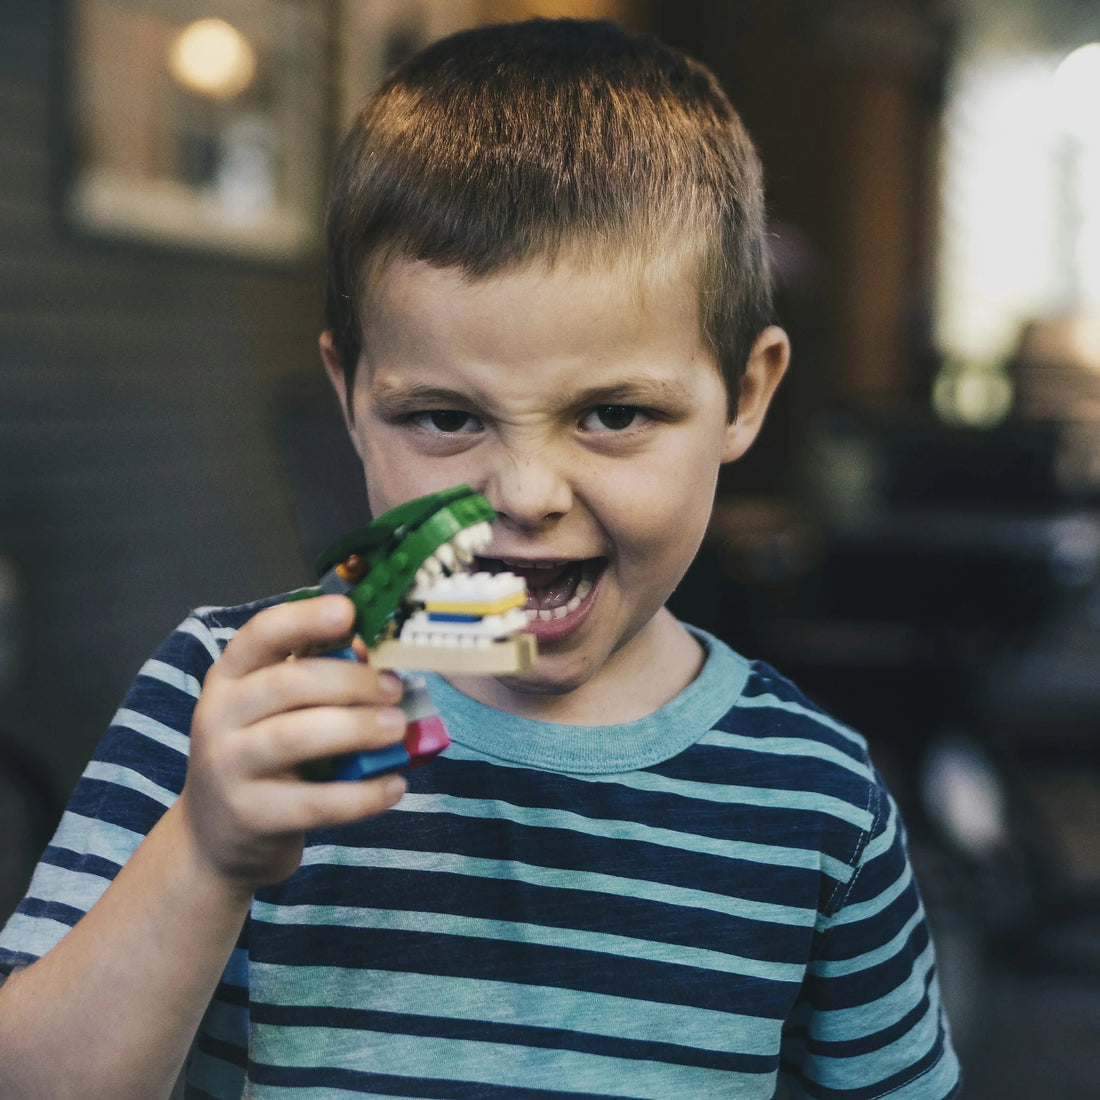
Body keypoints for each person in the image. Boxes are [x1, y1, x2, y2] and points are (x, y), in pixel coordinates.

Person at [0, 18, 960, 1099]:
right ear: (352, 397)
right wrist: (207, 852)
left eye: (612, 412)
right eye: (445, 417)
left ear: (742, 396)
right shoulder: (225, 703)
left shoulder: (817, 798)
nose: (525, 494)